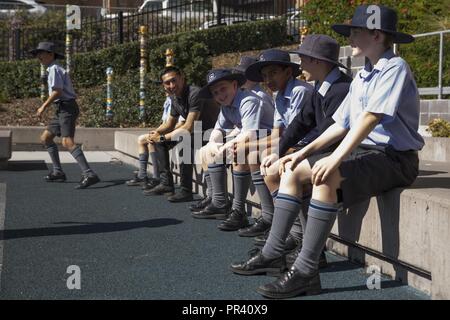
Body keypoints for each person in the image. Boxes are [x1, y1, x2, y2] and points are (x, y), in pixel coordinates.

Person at [235, 4, 425, 299]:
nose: (351, 37)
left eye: (356, 31)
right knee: (290, 170)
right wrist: (301, 153)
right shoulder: (363, 75)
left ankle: (305, 271)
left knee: (327, 177)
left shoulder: (395, 67)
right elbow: (340, 124)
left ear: (375, 35)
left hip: (395, 159)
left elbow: (370, 118)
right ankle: (274, 251)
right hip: (365, 153)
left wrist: (334, 158)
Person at [245, 34, 353, 265]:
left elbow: (331, 130)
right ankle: (297, 238)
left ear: (318, 61)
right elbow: (302, 122)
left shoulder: (341, 89)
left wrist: (298, 152)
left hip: (350, 153)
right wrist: (278, 150)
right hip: (328, 149)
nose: (300, 65)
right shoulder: (322, 87)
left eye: (303, 59)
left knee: (288, 169)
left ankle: (305, 247)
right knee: (276, 165)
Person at [231, 49, 313, 238]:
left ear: (288, 72)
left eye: (273, 73)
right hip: (293, 142)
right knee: (250, 154)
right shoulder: (279, 94)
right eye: (265, 76)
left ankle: (292, 231)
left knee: (273, 166)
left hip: (308, 144)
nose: (268, 80)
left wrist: (260, 147)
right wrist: (248, 146)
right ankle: (270, 217)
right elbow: (278, 134)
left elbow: (293, 134)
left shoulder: (299, 90)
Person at [188, 56, 275, 216]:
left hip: (267, 136)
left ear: (235, 85)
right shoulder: (227, 104)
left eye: (223, 89)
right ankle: (216, 198)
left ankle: (238, 209)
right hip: (250, 137)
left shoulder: (249, 99)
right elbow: (218, 129)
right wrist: (214, 142)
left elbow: (250, 133)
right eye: (215, 93)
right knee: (207, 150)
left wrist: (227, 145)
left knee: (238, 152)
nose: (220, 95)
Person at [143, 66, 219, 202]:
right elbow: (169, 124)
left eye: (174, 81)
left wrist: (160, 136)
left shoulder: (195, 93)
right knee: (160, 143)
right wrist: (156, 133)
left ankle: (186, 191)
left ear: (182, 78)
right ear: (163, 85)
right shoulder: (174, 98)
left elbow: (188, 127)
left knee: (185, 139)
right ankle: (166, 183)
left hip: (212, 133)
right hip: (197, 132)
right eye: (167, 83)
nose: (172, 85)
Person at [31, 42, 100, 189]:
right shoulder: (52, 69)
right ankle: (58, 172)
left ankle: (89, 174)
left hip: (66, 107)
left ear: (50, 54)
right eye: (37, 53)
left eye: (41, 53)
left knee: (67, 142)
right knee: (46, 138)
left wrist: (43, 106)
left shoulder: (55, 69)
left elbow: (57, 91)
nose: (39, 56)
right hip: (61, 108)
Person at [126, 92, 185, 190]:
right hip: (166, 133)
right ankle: (144, 175)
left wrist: (160, 135)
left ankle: (154, 177)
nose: (165, 90)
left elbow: (181, 124)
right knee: (147, 140)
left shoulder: (180, 101)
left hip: (176, 134)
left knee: (147, 140)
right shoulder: (168, 101)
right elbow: (164, 123)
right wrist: (156, 132)